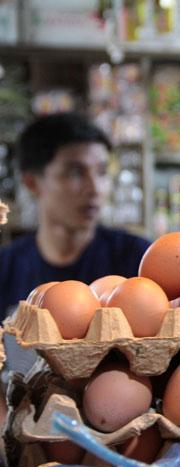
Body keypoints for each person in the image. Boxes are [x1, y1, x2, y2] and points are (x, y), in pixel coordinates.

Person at [0, 112, 151, 320]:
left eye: (102, 171)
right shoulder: (6, 269)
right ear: (32, 183)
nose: (95, 188)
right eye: (76, 172)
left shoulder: (137, 260)